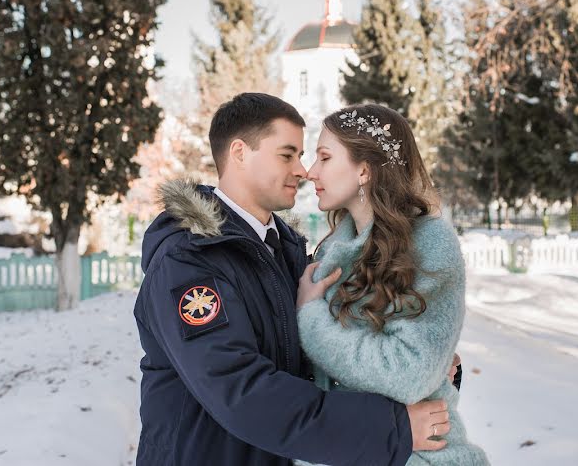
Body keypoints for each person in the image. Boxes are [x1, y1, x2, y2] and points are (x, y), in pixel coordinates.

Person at [133, 93, 449, 466]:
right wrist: (389, 428)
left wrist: (427, 368)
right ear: (239, 153)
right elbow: (242, 392)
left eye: (303, 156)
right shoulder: (188, 261)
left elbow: (314, 360)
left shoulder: (285, 252)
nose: (303, 171)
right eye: (287, 155)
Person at [295, 104, 489, 465]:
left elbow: (409, 374)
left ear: (364, 170)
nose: (310, 171)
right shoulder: (334, 247)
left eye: (324, 157)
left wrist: (311, 319)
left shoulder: (430, 244)